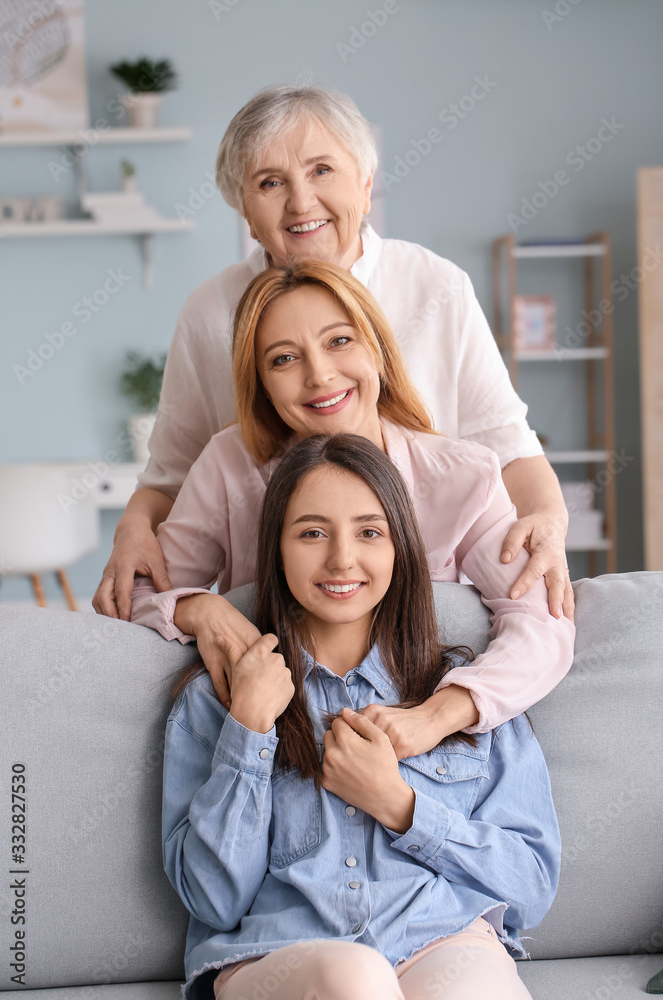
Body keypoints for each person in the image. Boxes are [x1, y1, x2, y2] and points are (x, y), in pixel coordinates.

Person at [93, 83, 573, 625]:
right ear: (245, 214)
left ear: (366, 185)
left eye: (322, 170)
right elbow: (170, 478)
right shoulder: (210, 313)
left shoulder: (436, 286)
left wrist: (550, 519)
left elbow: (507, 446)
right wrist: (134, 530)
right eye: (270, 183)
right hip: (271, 618)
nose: (301, 202)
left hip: (422, 605)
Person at [162, 433, 561, 1000]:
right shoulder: (215, 698)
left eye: (369, 532)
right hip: (278, 956)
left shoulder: (465, 695)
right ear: (276, 546)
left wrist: (401, 808)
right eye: (312, 533)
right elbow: (213, 900)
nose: (342, 559)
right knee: (355, 977)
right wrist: (249, 727)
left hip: (443, 940)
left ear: (400, 547)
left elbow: (532, 886)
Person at [131, 261, 574, 754]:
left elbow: (541, 622)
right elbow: (138, 593)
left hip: (416, 750)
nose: (319, 375)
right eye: (283, 359)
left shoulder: (463, 477)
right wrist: (200, 609)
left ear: (378, 350)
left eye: (339, 341)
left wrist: (439, 715)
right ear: (260, 382)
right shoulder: (229, 467)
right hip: (276, 744)